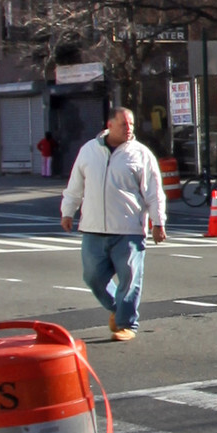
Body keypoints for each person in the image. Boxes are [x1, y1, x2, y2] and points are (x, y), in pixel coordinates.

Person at [59, 107, 167, 342]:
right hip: (93, 228)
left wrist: (159, 222)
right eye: (123, 125)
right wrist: (68, 211)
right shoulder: (89, 151)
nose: (129, 129)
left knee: (129, 278)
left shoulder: (141, 154)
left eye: (131, 125)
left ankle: (127, 324)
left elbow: (154, 192)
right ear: (109, 124)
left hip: (128, 229)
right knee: (92, 277)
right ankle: (118, 309)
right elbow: (75, 185)